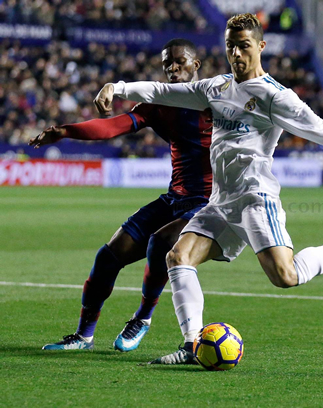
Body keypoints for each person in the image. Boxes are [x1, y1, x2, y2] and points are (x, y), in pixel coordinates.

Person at [94, 13, 323, 365]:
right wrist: (118, 88)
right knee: (178, 257)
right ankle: (192, 345)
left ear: (260, 45)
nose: (236, 54)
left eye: (243, 46)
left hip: (255, 199)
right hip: (220, 202)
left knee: (286, 276)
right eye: (230, 46)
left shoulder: (276, 97)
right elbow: (164, 91)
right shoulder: (216, 88)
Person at [31, 39, 213, 352]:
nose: (172, 68)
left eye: (180, 62)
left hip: (209, 203)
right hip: (174, 198)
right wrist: (65, 131)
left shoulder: (218, 99)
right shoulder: (159, 102)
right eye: (167, 62)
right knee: (107, 258)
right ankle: (83, 336)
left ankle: (142, 317)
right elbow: (113, 126)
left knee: (161, 243)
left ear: (196, 66)